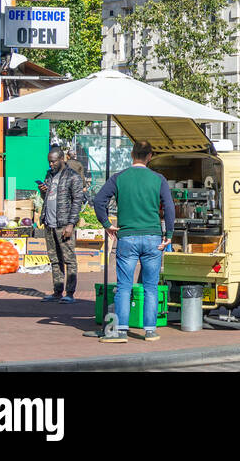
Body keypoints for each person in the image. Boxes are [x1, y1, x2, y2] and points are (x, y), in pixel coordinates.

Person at [93, 141, 174, 342]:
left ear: (131, 154)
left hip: (127, 237)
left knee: (124, 286)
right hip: (153, 237)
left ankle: (120, 330)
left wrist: (106, 223)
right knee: (151, 286)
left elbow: (99, 200)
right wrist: (169, 234)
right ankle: (150, 331)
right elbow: (170, 207)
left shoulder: (119, 178)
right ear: (150, 156)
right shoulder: (159, 179)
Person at [38, 145, 85, 304]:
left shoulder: (73, 177)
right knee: (54, 259)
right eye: (49, 162)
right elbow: (47, 197)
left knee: (69, 258)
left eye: (53, 162)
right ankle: (57, 291)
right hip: (49, 223)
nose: (51, 165)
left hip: (64, 224)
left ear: (62, 159)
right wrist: (43, 190)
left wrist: (71, 224)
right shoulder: (49, 175)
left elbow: (78, 201)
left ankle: (70, 293)